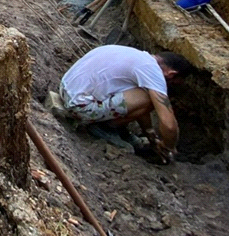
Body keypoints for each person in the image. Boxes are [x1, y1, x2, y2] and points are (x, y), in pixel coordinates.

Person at [58, 45, 194, 163]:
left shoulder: (134, 55)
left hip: (66, 90)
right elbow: (169, 126)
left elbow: (140, 108)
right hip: (79, 107)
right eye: (172, 83)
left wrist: (151, 137)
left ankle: (117, 128)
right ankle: (104, 128)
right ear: (171, 74)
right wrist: (169, 147)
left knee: (145, 95)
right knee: (151, 97)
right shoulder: (152, 71)